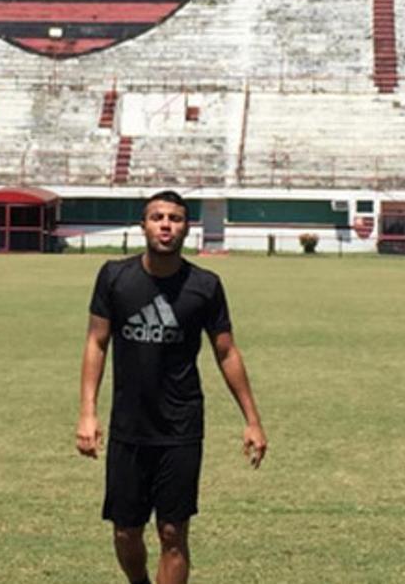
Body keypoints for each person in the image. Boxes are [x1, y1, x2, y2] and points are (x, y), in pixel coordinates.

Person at [76, 190, 268, 584]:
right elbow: (97, 341)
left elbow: (226, 352)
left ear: (187, 227)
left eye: (176, 218)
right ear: (143, 224)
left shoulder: (205, 286)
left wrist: (252, 419)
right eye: (158, 217)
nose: (166, 225)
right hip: (128, 428)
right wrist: (88, 412)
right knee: (126, 531)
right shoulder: (114, 277)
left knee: (172, 533)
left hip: (181, 427)